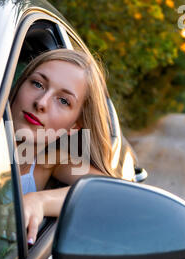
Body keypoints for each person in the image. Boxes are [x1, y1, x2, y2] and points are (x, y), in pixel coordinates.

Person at [9, 48, 115, 244]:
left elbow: (113, 193)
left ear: (74, 126)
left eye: (64, 101)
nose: (41, 102)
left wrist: (40, 201)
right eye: (37, 84)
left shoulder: (49, 162)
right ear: (20, 83)